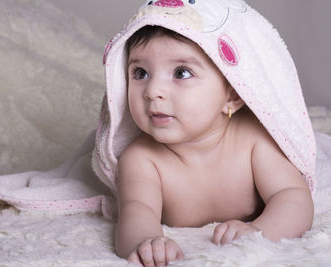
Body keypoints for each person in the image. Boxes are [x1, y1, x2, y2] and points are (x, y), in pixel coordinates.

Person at [92, 0, 317, 266]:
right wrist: (145, 242)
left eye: (181, 72)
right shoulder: (141, 159)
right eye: (140, 72)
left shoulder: (254, 140)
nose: (153, 91)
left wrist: (261, 232)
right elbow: (136, 212)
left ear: (232, 95)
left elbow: (293, 196)